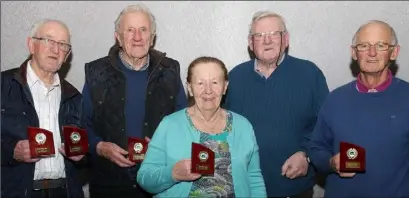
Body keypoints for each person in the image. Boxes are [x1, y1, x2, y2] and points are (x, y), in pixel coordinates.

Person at [82, 3, 187, 198]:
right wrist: (100, 147)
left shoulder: (170, 71)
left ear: (152, 37)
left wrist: (164, 146)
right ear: (118, 37)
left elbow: (184, 122)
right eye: (130, 30)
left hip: (159, 181)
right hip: (109, 183)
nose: (137, 37)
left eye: (143, 30)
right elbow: (83, 125)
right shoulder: (96, 73)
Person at [308, 20, 409, 197]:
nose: (372, 53)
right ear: (354, 53)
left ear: (394, 52)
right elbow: (316, 148)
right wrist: (331, 162)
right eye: (363, 46)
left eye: (381, 45)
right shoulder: (335, 99)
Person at [224, 11, 329, 197]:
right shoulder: (234, 78)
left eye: (274, 34)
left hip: (294, 187)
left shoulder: (310, 75)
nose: (267, 41)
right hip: (245, 188)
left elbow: (325, 126)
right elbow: (222, 127)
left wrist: (306, 154)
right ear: (250, 43)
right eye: (259, 36)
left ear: (286, 39)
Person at [136, 56, 267, 197]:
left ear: (225, 87)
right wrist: (173, 173)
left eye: (215, 82)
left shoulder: (243, 126)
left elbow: (254, 178)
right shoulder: (169, 125)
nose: (208, 90)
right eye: (200, 83)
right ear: (190, 88)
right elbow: (144, 178)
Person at [1, 19, 85, 198]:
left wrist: (82, 156)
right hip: (17, 191)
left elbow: (89, 154)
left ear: (67, 54)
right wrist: (11, 151)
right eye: (49, 41)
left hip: (66, 191)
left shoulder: (75, 97)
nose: (56, 50)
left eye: (63, 45)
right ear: (31, 45)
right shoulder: (3, 86)